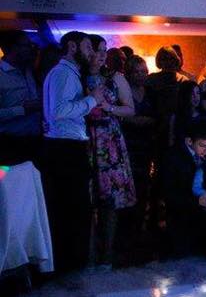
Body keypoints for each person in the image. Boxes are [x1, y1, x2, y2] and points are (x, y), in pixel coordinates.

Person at [41, 31, 106, 273]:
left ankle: (70, 267)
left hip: (65, 147)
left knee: (73, 210)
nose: (91, 53)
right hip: (65, 149)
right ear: (72, 47)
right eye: (88, 47)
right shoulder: (63, 74)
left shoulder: (67, 73)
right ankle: (71, 271)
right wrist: (92, 100)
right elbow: (57, 111)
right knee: (73, 211)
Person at [85, 35, 137, 268]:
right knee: (88, 199)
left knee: (110, 199)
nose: (103, 54)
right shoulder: (79, 75)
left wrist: (109, 107)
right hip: (86, 137)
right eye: (98, 50)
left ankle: (107, 256)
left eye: (105, 49)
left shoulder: (114, 77)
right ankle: (89, 256)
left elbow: (130, 109)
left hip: (108, 139)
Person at [160, 120, 206, 258]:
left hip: (205, 214)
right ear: (189, 141)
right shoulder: (174, 158)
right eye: (203, 146)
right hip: (182, 218)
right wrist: (198, 201)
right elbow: (170, 193)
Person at [120, 55, 157, 238]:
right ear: (129, 73)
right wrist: (139, 120)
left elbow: (158, 117)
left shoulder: (150, 92)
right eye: (137, 72)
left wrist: (137, 120)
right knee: (129, 185)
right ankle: (126, 228)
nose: (142, 75)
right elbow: (123, 118)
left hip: (147, 145)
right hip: (127, 145)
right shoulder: (123, 91)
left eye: (144, 71)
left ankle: (139, 226)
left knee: (144, 186)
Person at [0, 29, 42, 165]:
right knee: (10, 183)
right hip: (10, 143)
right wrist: (22, 109)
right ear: (10, 48)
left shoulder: (29, 70)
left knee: (34, 183)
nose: (30, 49)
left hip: (35, 141)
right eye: (26, 45)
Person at [169, 80, 206, 148]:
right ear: (185, 95)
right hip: (181, 152)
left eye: (198, 93)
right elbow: (171, 139)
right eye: (192, 94)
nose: (196, 97)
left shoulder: (205, 115)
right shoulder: (176, 116)